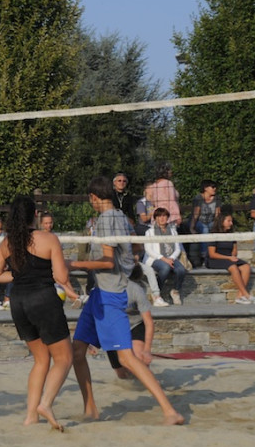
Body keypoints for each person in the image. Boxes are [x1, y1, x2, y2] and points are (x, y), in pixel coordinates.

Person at [69, 176, 184, 425]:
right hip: (100, 291)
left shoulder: (109, 218)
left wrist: (74, 264)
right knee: (77, 351)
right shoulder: (121, 216)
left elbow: (109, 260)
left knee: (126, 358)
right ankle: (91, 409)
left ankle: (169, 410)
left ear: (93, 198)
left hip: (111, 293)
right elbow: (131, 251)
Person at [0, 195, 73, 431]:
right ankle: (45, 404)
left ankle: (30, 417)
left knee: (41, 360)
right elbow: (62, 277)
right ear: (35, 215)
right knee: (64, 359)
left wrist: (19, 276)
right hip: (43, 299)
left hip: (18, 302)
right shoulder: (48, 238)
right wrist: (69, 266)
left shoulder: (7, 243)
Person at [104, 274, 155, 380]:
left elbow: (149, 322)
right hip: (114, 330)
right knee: (123, 375)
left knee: (138, 357)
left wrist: (147, 350)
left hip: (135, 324)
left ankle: (151, 382)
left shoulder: (135, 289)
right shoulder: (102, 289)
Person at [206, 209, 252, 304]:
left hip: (229, 258)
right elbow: (212, 254)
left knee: (246, 267)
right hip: (216, 259)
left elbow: (234, 249)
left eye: (231, 221)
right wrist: (228, 258)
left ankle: (240, 296)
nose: (231, 223)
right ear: (222, 221)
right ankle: (246, 294)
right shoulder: (214, 235)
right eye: (228, 221)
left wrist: (233, 256)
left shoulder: (231, 234)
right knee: (233, 267)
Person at [143, 207, 186, 306]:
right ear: (155, 218)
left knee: (181, 270)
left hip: (171, 257)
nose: (162, 218)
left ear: (167, 217)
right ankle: (157, 293)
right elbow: (148, 250)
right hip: (155, 258)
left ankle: (175, 291)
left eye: (164, 216)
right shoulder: (149, 232)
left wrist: (171, 258)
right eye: (159, 216)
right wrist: (163, 259)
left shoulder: (173, 231)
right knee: (165, 268)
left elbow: (178, 248)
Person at [187, 179, 221, 262]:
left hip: (211, 221)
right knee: (204, 229)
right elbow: (196, 214)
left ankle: (214, 254)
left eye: (215, 187)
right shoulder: (198, 198)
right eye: (212, 187)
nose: (214, 189)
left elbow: (217, 214)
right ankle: (204, 254)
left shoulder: (217, 198)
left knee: (213, 229)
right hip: (199, 221)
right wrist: (192, 227)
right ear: (205, 188)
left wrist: (216, 226)